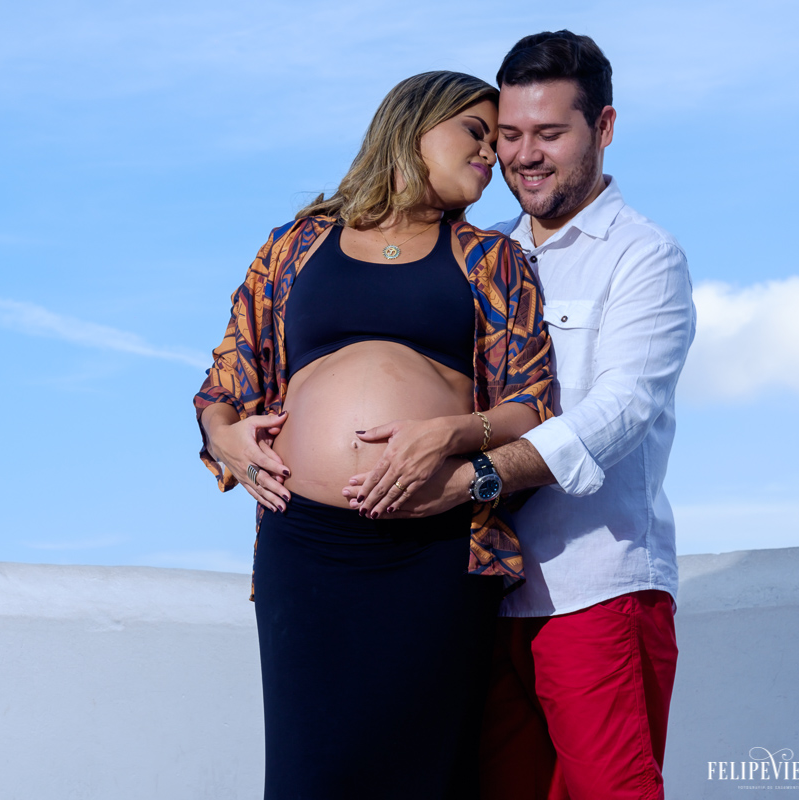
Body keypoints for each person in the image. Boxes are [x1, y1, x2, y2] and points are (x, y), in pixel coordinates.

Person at [344, 32, 697, 800]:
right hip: (478, 593)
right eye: (508, 135)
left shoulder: (643, 256)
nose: (524, 156)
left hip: (593, 590)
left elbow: (623, 406)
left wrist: (471, 477)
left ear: (602, 128)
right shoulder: (480, 253)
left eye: (550, 134)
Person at [192, 71, 554, 798]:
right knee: (309, 772)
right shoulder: (295, 246)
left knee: (427, 771)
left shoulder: (493, 261)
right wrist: (224, 437)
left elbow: (531, 407)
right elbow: (224, 382)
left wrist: (450, 433)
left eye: (498, 140)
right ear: (412, 127)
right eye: (476, 133)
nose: (493, 154)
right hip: (307, 547)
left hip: (436, 547)